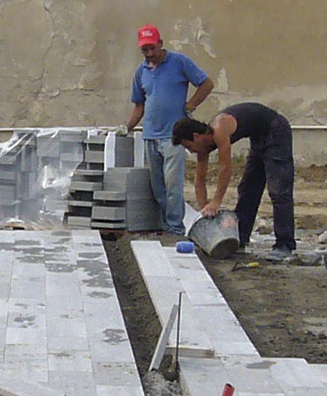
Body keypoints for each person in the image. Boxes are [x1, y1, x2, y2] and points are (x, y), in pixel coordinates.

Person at [173, 101, 300, 262]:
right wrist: (204, 208)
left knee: (278, 191)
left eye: (189, 146)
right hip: (258, 137)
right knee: (248, 190)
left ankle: (285, 244)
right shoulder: (202, 146)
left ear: (197, 137)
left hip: (276, 131)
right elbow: (200, 179)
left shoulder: (219, 129)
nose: (190, 151)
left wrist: (216, 202)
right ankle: (240, 239)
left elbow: (225, 169)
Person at [124, 25, 211, 236]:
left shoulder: (179, 62)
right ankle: (164, 225)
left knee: (173, 185)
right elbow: (139, 105)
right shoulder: (141, 72)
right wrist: (126, 128)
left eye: (152, 48)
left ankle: (175, 227)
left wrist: (190, 106)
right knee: (158, 187)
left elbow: (206, 84)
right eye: (145, 50)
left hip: (173, 137)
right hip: (150, 135)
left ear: (161, 44)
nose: (149, 53)